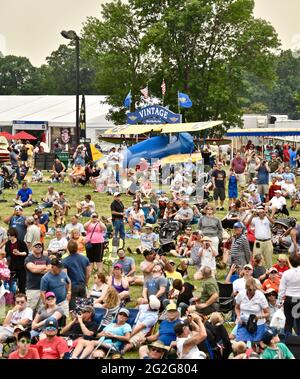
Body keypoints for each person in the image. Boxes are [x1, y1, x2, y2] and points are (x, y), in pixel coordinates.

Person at [235, 277, 269, 342]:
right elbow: (237, 308)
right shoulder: (241, 294)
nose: (252, 292)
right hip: (244, 323)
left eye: (254, 290)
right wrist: (238, 316)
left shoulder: (260, 295)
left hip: (258, 324)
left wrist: (258, 317)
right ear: (246, 289)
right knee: (241, 343)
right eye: (249, 290)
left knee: (256, 344)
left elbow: (267, 313)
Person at [62, 240, 91, 311]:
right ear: (77, 248)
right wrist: (85, 283)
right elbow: (88, 274)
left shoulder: (64, 261)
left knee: (73, 310)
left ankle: (75, 321)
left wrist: (67, 289)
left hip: (72, 287)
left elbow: (65, 277)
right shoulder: (85, 258)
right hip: (82, 285)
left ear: (68, 249)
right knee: (84, 309)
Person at [24, 241, 51, 313]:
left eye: (40, 246)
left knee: (42, 311)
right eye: (36, 246)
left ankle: (39, 324)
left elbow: (50, 270)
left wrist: (37, 268)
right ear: (32, 248)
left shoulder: (46, 258)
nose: (38, 248)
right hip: (32, 288)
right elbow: (33, 270)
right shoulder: (29, 258)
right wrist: (44, 267)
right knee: (29, 310)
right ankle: (28, 324)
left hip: (44, 289)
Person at [278, 255, 300, 335]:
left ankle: (288, 340)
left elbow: (281, 289)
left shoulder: (286, 273)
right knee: (298, 322)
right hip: (298, 300)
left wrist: (279, 302)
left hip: (289, 299)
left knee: (288, 321)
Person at [5, 227, 29, 293]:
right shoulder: (8, 243)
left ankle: (22, 296)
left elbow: (26, 253)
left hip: (21, 266)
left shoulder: (21, 242)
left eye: (10, 235)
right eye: (8, 235)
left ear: (14, 235)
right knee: (11, 283)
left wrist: (19, 253)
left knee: (22, 283)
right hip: (11, 266)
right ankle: (11, 297)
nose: (9, 236)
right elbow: (7, 254)